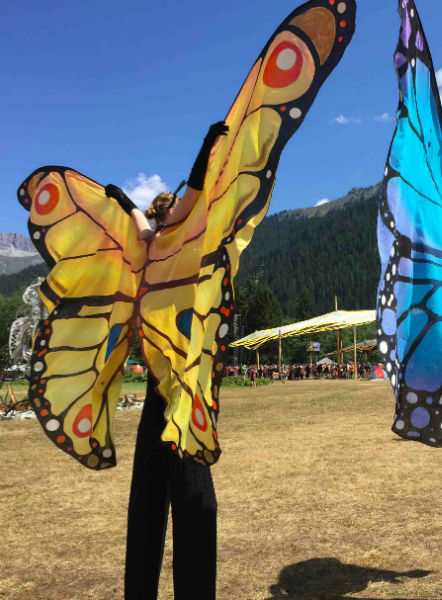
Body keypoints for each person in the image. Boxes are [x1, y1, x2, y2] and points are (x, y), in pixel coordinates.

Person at [105, 121, 228, 600]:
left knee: (153, 501)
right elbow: (191, 196)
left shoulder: (151, 245)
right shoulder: (170, 243)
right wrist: (204, 150)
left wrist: (120, 199)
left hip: (167, 388)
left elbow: (150, 211)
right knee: (187, 498)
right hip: (177, 388)